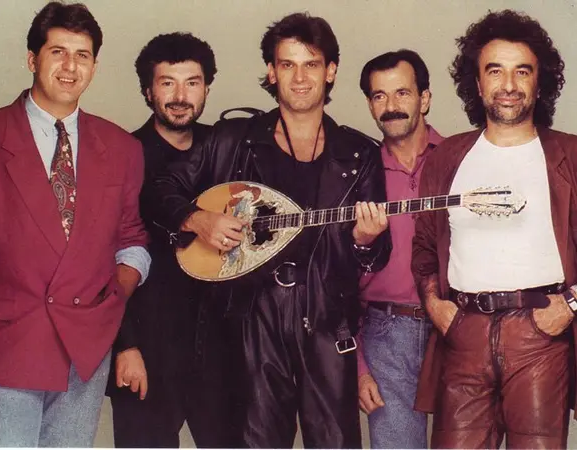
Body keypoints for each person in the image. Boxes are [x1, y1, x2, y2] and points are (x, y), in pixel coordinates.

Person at [152, 12, 391, 448]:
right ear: (271, 72)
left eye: (311, 64)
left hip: (326, 320)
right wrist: (197, 218)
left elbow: (376, 255)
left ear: (330, 71)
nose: (300, 78)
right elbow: (161, 188)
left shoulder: (358, 153)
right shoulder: (232, 139)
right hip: (250, 320)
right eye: (287, 64)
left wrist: (364, 240)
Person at [0, 2, 150, 447]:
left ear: (94, 66)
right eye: (58, 52)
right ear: (32, 59)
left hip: (85, 349)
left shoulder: (122, 147)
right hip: (4, 343)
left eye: (82, 55)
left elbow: (132, 238)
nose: (71, 67)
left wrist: (113, 296)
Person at [412, 9, 577, 449]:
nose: (508, 85)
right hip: (463, 334)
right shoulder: (447, 157)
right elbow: (424, 244)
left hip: (541, 337)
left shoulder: (569, 155)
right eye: (495, 71)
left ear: (539, 82)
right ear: (478, 82)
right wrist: (435, 305)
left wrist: (570, 305)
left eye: (522, 71)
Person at [107, 32, 235, 448]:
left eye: (192, 83)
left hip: (220, 350)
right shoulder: (121, 155)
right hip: (147, 348)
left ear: (207, 88)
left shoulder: (228, 151)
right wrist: (125, 346)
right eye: (167, 83)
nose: (180, 97)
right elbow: (99, 259)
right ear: (148, 91)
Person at [356, 49, 443, 449]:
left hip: (457, 327)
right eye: (379, 96)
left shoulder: (461, 160)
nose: (390, 106)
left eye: (402, 93)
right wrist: (358, 367)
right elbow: (336, 278)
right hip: (386, 332)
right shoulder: (358, 174)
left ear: (424, 99)